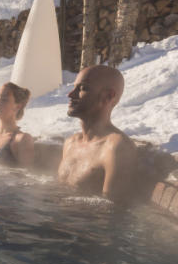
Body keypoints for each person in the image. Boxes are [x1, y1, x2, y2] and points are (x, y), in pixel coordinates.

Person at [57, 65, 138, 202]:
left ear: (108, 96)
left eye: (82, 88)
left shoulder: (116, 147)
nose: (70, 94)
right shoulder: (70, 143)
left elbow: (112, 211)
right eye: (74, 87)